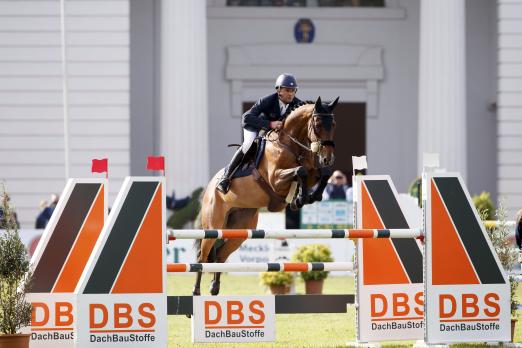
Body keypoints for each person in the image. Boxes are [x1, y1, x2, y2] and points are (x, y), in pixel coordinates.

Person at [216, 73, 302, 194]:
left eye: (294, 90)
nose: (291, 94)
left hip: (274, 132)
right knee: (248, 144)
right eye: (288, 90)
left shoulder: (297, 103)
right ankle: (226, 177)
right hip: (254, 127)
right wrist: (270, 124)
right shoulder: (267, 101)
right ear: (279, 90)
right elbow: (246, 117)